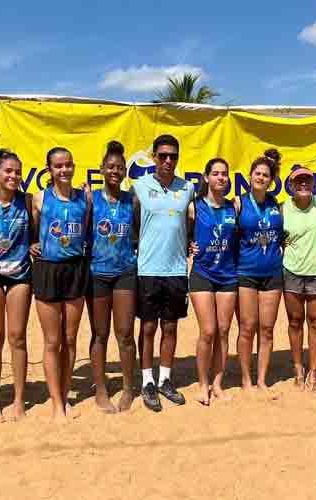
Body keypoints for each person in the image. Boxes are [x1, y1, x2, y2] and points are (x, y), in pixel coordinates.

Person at [133, 134, 194, 412]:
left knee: (170, 327)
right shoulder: (140, 186)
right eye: (163, 156)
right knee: (147, 327)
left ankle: (165, 379)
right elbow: (135, 223)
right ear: (154, 157)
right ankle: (147, 381)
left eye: (173, 156)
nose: (168, 161)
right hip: (147, 269)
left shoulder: (188, 188)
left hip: (176, 270)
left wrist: (190, 242)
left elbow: (191, 221)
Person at [32, 147, 91, 422]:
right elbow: (32, 230)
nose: (64, 170)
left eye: (68, 164)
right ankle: (56, 404)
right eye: (58, 166)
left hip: (76, 269)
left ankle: (65, 395)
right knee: (52, 340)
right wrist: (33, 243)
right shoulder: (39, 198)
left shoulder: (85, 199)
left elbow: (89, 232)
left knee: (70, 338)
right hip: (48, 271)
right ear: (49, 170)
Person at [0, 149, 35, 423]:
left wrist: (34, 244)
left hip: (20, 274)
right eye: (8, 171)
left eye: (17, 171)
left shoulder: (28, 200)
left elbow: (38, 232)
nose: (13, 176)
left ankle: (19, 400)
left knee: (18, 337)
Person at [87, 141, 138, 413]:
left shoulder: (133, 199)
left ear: (125, 171)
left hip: (125, 272)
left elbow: (140, 233)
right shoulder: (90, 199)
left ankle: (129, 388)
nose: (115, 171)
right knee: (100, 333)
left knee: (125, 333)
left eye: (119, 167)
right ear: (102, 169)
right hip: (97, 273)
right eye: (110, 167)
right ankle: (102, 389)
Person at [187, 158, 238, 405]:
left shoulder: (234, 207)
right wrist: (188, 244)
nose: (220, 177)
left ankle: (217, 384)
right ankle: (202, 383)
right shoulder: (194, 207)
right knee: (208, 331)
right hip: (202, 274)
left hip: (228, 275)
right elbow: (181, 233)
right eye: (215, 173)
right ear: (206, 177)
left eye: (224, 174)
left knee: (224, 330)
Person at [236, 150, 284, 396]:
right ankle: (246, 379)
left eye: (266, 175)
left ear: (271, 180)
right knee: (247, 327)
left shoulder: (277, 205)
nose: (261, 178)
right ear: (250, 176)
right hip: (246, 272)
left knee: (267, 329)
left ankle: (262, 379)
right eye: (257, 173)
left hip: (273, 274)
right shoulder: (238, 203)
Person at [281, 166, 316, 392]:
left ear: (313, 184)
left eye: (307, 181)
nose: (303, 184)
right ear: (291, 185)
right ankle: (298, 369)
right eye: (298, 181)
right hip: (292, 271)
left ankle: (313, 371)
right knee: (294, 321)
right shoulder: (284, 208)